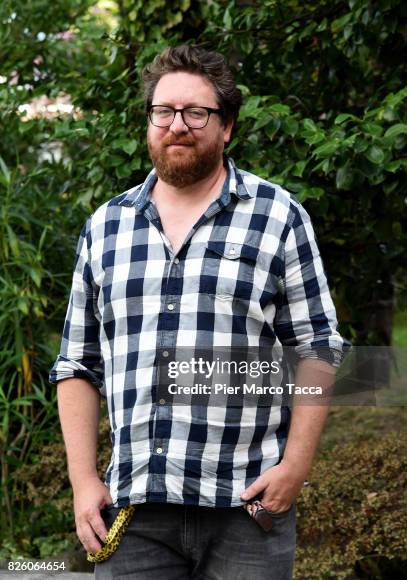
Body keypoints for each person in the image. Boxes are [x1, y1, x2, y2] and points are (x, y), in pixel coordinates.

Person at [50, 44, 345, 580]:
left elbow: (317, 346)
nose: (177, 125)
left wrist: (295, 467)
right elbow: (77, 363)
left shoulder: (278, 217)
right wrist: (83, 481)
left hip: (247, 507)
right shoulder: (106, 228)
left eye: (196, 113)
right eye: (164, 112)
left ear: (226, 125)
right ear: (149, 121)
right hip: (133, 510)